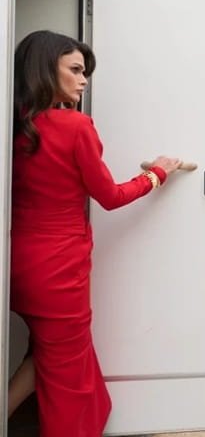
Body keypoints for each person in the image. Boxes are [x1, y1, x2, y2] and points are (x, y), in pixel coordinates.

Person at [8, 30, 183, 435]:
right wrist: (157, 174)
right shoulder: (75, 126)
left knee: (46, 356)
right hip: (59, 272)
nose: (83, 80)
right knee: (68, 377)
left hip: (16, 263)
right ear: (44, 69)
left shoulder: (13, 125)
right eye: (75, 70)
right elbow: (110, 197)